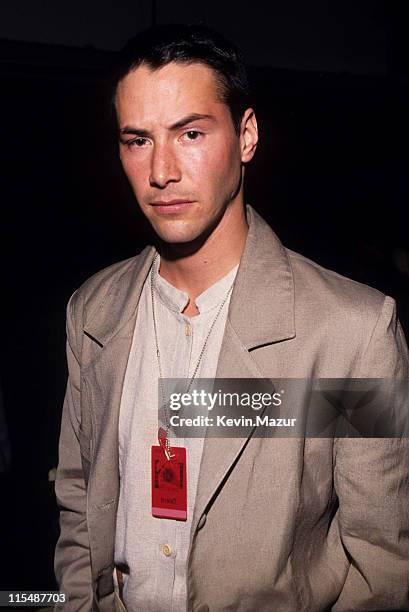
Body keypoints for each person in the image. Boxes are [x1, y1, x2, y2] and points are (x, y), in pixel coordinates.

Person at [54, 24, 409, 612]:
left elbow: (385, 567)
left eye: (190, 133)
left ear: (246, 136)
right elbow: (77, 499)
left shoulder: (353, 332)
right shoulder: (93, 311)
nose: (161, 171)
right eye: (137, 140)